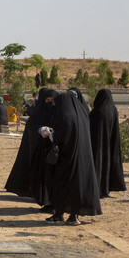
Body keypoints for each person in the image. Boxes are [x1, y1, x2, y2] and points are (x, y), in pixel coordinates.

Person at [44, 92, 102, 225]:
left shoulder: (65, 116)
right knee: (77, 187)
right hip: (83, 159)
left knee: (61, 185)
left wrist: (49, 134)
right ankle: (74, 216)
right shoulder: (82, 115)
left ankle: (58, 215)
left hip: (66, 160)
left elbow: (61, 138)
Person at [5, 88, 56, 199]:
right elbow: (31, 126)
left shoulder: (58, 112)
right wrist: (40, 130)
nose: (51, 103)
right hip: (38, 146)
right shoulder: (37, 113)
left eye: (53, 100)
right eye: (48, 100)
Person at [90, 89, 126, 198]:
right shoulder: (113, 110)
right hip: (111, 145)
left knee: (98, 165)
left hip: (98, 145)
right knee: (108, 165)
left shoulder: (98, 111)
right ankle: (106, 189)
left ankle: (98, 190)